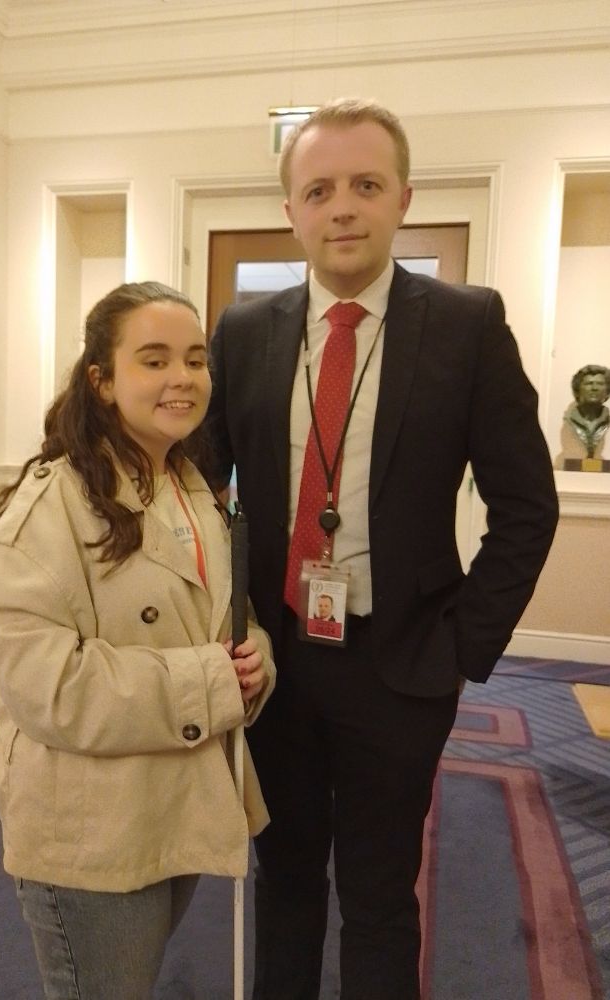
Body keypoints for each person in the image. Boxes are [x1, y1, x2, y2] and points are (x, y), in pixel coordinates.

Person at [206, 99, 559, 999]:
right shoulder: (243, 332)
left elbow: (527, 506)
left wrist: (463, 645)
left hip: (402, 664)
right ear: (291, 210)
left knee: (378, 895)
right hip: (274, 659)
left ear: (403, 197)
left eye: (366, 185)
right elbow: (198, 496)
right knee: (284, 879)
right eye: (319, 190)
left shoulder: (468, 324)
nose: (343, 208)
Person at [0, 281, 275, 1000]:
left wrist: (254, 653)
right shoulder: (51, 505)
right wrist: (213, 681)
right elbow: (48, 686)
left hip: (173, 801)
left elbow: (221, 617)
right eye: (154, 359)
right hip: (92, 829)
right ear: (102, 381)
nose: (183, 378)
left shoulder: (190, 487)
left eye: (195, 360)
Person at [564, 364, 610, 458]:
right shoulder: (571, 419)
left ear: (607, 392)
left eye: (600, 384)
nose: (594, 388)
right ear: (577, 390)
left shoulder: (607, 419)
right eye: (589, 383)